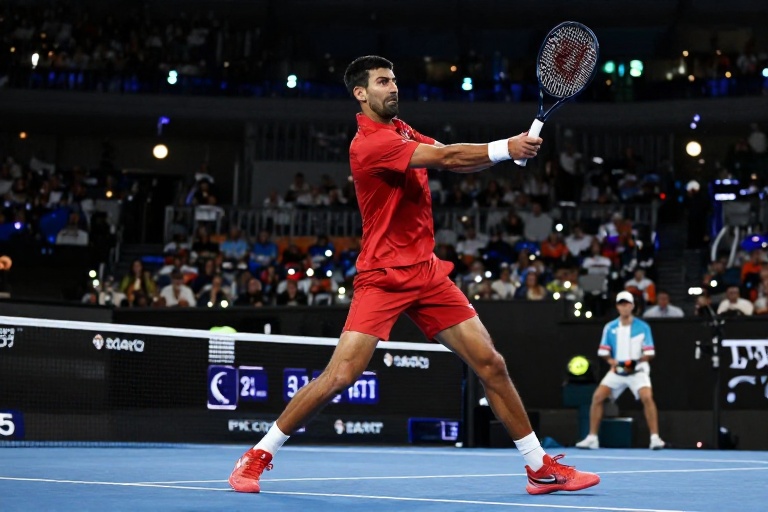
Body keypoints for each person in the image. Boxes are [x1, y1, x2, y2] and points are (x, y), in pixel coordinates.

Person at [228, 55, 599, 496]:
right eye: (383, 81)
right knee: (341, 376)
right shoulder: (368, 144)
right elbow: (446, 157)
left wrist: (507, 150)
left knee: (491, 363)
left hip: (426, 273)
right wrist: (506, 149)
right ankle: (258, 455)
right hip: (382, 275)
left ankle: (539, 468)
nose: (393, 87)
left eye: (394, 80)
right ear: (360, 93)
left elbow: (455, 159)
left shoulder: (402, 130)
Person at [576, 291, 665, 450]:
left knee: (647, 397)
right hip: (617, 370)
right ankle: (592, 438)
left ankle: (655, 438)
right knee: (597, 397)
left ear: (632, 306)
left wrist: (636, 362)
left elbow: (649, 352)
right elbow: (604, 351)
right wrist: (612, 361)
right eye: (621, 304)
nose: (624, 307)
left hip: (638, 371)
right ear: (617, 306)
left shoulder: (643, 327)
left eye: (627, 304)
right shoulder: (610, 327)